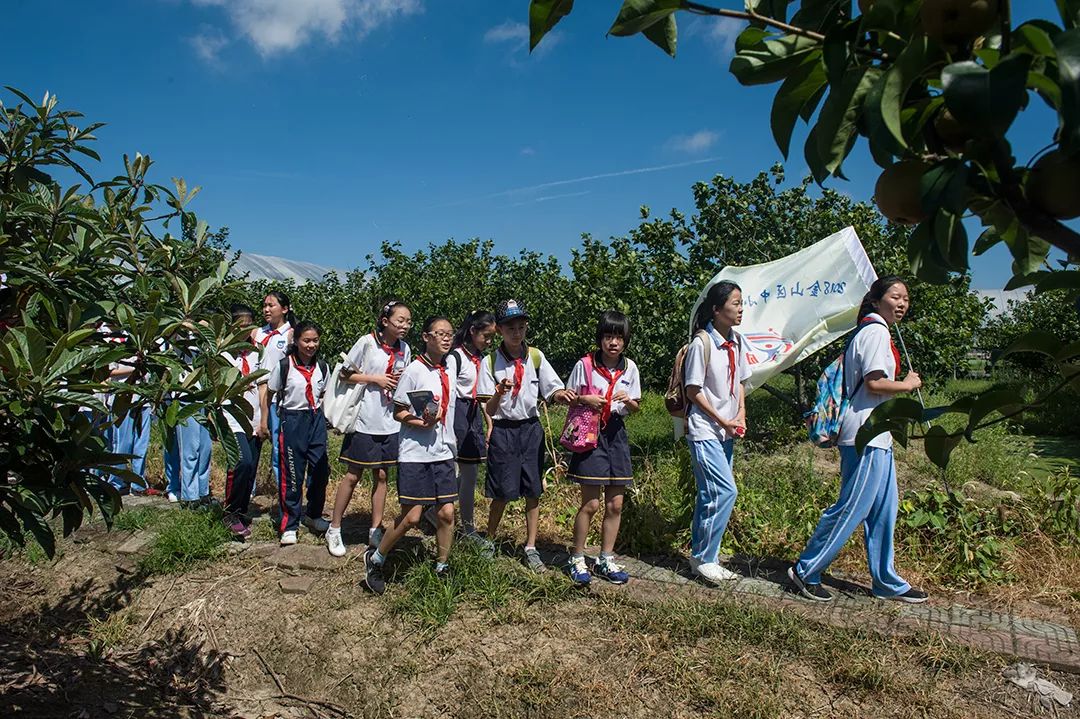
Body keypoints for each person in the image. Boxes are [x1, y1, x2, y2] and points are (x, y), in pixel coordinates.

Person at [788, 276, 929, 604]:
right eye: (895, 297)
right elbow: (874, 383)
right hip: (864, 433)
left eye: (906, 298)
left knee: (884, 509)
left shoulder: (873, 330)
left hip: (877, 433)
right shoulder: (876, 331)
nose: (902, 303)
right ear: (877, 300)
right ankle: (806, 569)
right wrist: (907, 384)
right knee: (853, 506)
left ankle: (886, 581)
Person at [362, 316, 459, 594]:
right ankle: (377, 557)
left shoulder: (450, 368)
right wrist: (421, 423)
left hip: (443, 450)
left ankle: (442, 566)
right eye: (439, 333)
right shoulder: (414, 370)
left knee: (447, 513)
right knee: (413, 517)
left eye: (449, 334)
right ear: (426, 337)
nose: (446, 338)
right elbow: (399, 411)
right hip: (416, 453)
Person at [482, 299, 573, 571]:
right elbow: (487, 406)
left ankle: (531, 546)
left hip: (531, 429)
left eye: (521, 327)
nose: (517, 333)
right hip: (504, 430)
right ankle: (490, 539)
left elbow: (551, 388)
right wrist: (499, 391)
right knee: (501, 490)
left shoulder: (535, 356)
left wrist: (562, 395)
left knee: (533, 489)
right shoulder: (490, 361)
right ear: (499, 329)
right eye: (510, 327)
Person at [326, 301, 412, 557]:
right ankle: (335, 526)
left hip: (389, 421)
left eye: (408, 321)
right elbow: (344, 374)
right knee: (353, 474)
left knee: (383, 476)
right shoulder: (367, 343)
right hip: (365, 418)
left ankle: (375, 528)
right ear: (385, 321)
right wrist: (375, 379)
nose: (405, 326)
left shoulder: (404, 349)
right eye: (400, 320)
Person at [565, 311, 641, 585]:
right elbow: (569, 398)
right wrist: (586, 399)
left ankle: (606, 558)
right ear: (600, 339)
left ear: (625, 341)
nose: (613, 343)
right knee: (591, 502)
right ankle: (577, 556)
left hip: (616, 434)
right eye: (608, 336)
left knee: (615, 504)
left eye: (619, 337)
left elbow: (635, 406)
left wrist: (628, 401)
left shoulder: (630, 367)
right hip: (590, 434)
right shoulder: (584, 365)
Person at [684, 281, 751, 585]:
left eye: (740, 303)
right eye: (735, 303)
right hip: (705, 429)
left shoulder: (737, 341)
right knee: (725, 491)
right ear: (716, 309)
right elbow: (693, 391)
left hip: (725, 430)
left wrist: (740, 414)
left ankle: (703, 556)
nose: (740, 309)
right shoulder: (703, 343)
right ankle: (705, 557)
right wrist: (722, 420)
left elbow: (740, 382)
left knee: (708, 495)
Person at [421, 310, 496, 540]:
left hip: (473, 413)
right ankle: (465, 525)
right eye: (486, 335)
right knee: (461, 471)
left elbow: (482, 393)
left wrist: (488, 420)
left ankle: (439, 513)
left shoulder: (481, 359)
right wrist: (447, 425)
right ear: (472, 332)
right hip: (458, 414)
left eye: (492, 337)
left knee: (469, 473)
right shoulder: (456, 357)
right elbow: (450, 391)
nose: (489, 341)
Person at [266, 320, 330, 546]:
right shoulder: (285, 366)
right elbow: (270, 392)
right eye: (306, 340)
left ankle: (313, 515)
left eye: (315, 340)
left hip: (315, 419)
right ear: (296, 341)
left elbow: (324, 394)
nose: (311, 345)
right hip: (292, 420)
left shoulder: (322, 366)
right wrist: (267, 422)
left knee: (321, 470)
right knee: (292, 473)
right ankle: (290, 523)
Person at [221, 304, 263, 538]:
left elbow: (264, 385)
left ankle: (242, 510)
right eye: (241, 326)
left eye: (249, 326)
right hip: (232, 417)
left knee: (251, 468)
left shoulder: (258, 352)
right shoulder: (224, 354)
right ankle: (230, 512)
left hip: (254, 418)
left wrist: (264, 417)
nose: (245, 331)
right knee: (241, 463)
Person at [255, 290, 297, 495]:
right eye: (264, 305)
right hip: (254, 394)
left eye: (271, 305)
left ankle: (285, 495)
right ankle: (247, 490)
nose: (266, 309)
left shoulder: (290, 334)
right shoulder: (257, 333)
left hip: (275, 398)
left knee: (278, 449)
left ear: (285, 309)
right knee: (250, 441)